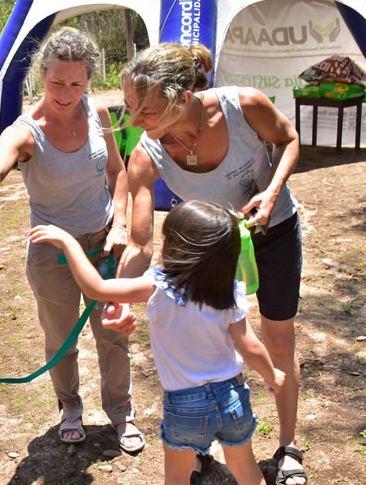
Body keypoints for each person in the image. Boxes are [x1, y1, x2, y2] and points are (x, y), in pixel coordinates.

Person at [116, 42, 306, 485]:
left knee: (278, 342)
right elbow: (141, 241)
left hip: (271, 231)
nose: (135, 122)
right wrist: (122, 297)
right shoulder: (146, 153)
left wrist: (273, 189)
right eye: (129, 107)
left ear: (182, 98)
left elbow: (289, 139)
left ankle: (288, 445)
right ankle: (196, 447)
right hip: (208, 250)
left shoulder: (244, 106)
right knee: (199, 345)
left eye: (146, 110)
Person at [29, 200, 286, 485]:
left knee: (177, 478)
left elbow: (97, 288)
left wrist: (68, 243)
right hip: (232, 396)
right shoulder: (230, 291)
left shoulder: (160, 284)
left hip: (185, 405)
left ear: (176, 247)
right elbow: (249, 345)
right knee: (248, 472)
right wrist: (272, 375)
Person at [0, 27, 145, 451]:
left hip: (103, 243)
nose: (67, 93)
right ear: (41, 74)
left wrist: (120, 222)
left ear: (88, 80)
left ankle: (121, 413)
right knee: (61, 337)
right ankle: (70, 407)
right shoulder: (26, 131)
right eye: (56, 83)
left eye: (76, 84)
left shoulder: (99, 114)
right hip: (52, 254)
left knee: (114, 333)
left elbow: (117, 173)